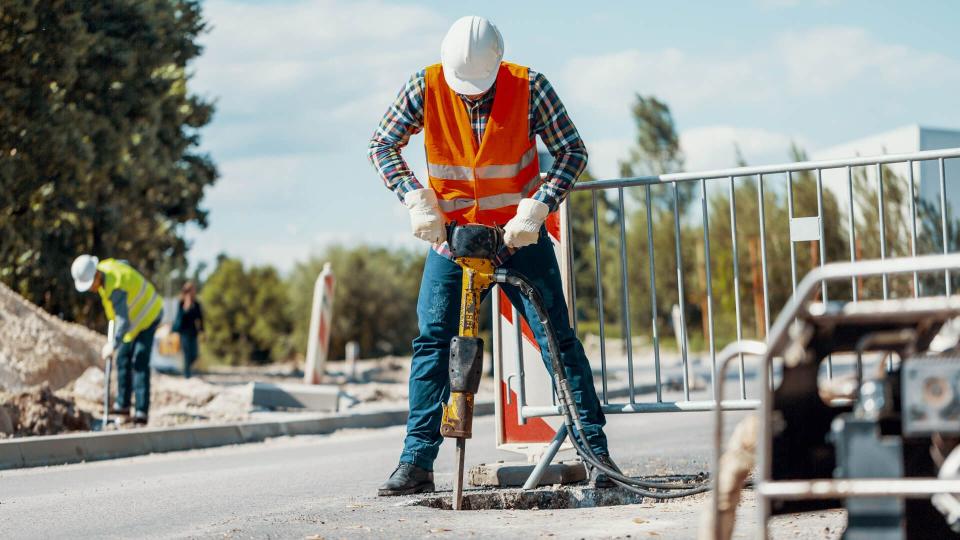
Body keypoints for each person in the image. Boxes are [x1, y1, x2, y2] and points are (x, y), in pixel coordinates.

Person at [368, 15, 619, 496]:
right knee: (434, 345)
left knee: (557, 342)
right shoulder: (426, 85)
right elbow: (382, 144)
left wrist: (539, 206)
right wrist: (413, 197)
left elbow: (572, 152)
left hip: (517, 238)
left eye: (478, 88)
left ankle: (596, 455)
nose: (469, 95)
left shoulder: (530, 87)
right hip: (453, 241)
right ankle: (416, 462)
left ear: (498, 65)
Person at [71, 255, 163, 425]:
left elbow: (123, 320)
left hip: (149, 315)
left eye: (90, 283)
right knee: (122, 359)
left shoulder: (115, 287)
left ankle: (141, 412)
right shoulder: (106, 268)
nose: (91, 288)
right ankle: (123, 406)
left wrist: (114, 343)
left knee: (139, 359)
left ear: (96, 275)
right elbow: (125, 264)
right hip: (134, 323)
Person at [174, 281, 204, 378]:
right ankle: (187, 375)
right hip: (184, 332)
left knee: (194, 354)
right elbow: (179, 318)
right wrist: (186, 308)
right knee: (186, 354)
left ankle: (188, 371)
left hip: (193, 332)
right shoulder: (181, 303)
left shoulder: (196, 304)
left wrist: (202, 331)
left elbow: (200, 318)